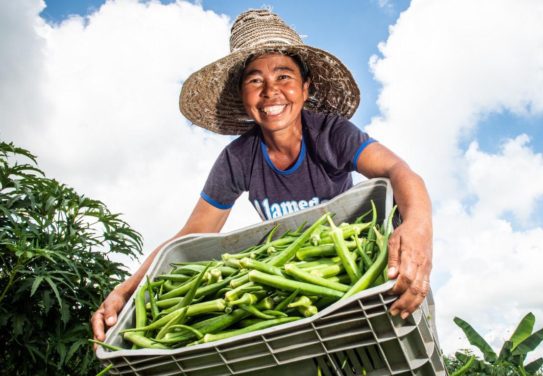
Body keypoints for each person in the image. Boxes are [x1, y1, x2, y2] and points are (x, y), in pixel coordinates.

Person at [91, 9, 433, 346]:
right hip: (285, 279)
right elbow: (191, 237)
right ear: (243, 97)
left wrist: (417, 226)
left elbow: (399, 172)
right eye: (255, 80)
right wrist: (125, 290)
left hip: (347, 265)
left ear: (305, 87)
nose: (271, 91)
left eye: (284, 76)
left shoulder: (332, 134)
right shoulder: (238, 159)